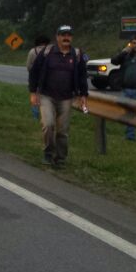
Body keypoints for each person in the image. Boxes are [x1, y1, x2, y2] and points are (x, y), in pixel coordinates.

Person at [29, 25, 88, 168]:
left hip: (67, 98)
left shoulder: (77, 55)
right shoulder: (47, 52)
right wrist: (32, 92)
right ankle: (48, 154)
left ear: (71, 37)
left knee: (63, 131)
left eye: (68, 35)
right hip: (46, 96)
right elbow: (34, 72)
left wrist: (83, 95)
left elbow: (82, 76)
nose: (66, 37)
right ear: (57, 37)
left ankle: (60, 159)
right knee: (48, 125)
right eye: (63, 35)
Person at [111, 35, 136, 142]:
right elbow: (114, 61)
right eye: (134, 43)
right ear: (130, 44)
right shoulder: (126, 56)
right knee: (128, 114)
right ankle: (129, 137)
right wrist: (124, 52)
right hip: (127, 90)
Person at [25, 35, 51, 120]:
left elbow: (28, 66)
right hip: (48, 78)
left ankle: (35, 117)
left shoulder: (32, 51)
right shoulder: (50, 51)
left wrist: (33, 74)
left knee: (34, 97)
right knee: (46, 97)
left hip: (35, 79)